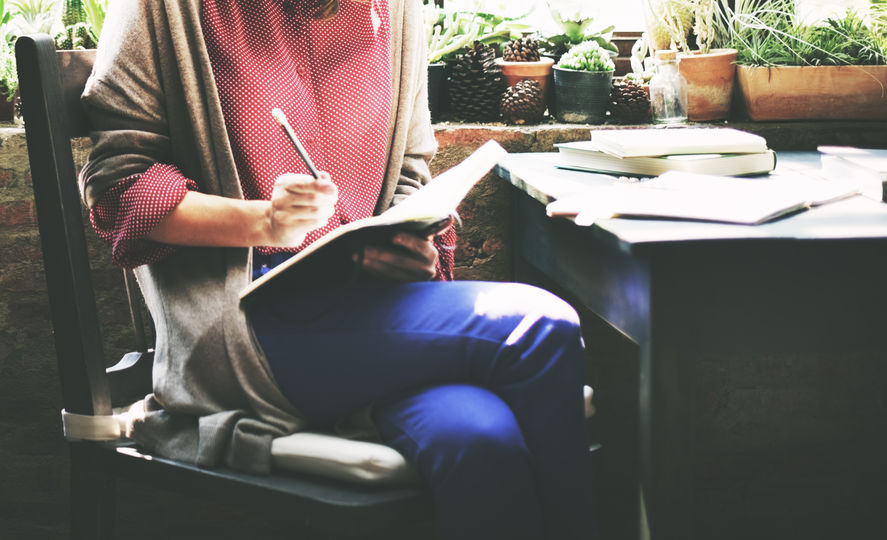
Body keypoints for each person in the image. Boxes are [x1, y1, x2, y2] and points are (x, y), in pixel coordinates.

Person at [79, 0, 595, 537]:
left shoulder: (395, 10)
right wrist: (265, 223)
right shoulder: (165, 10)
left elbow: (410, 170)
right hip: (245, 328)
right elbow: (119, 189)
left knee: (478, 437)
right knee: (539, 327)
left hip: (373, 321)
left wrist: (412, 246)